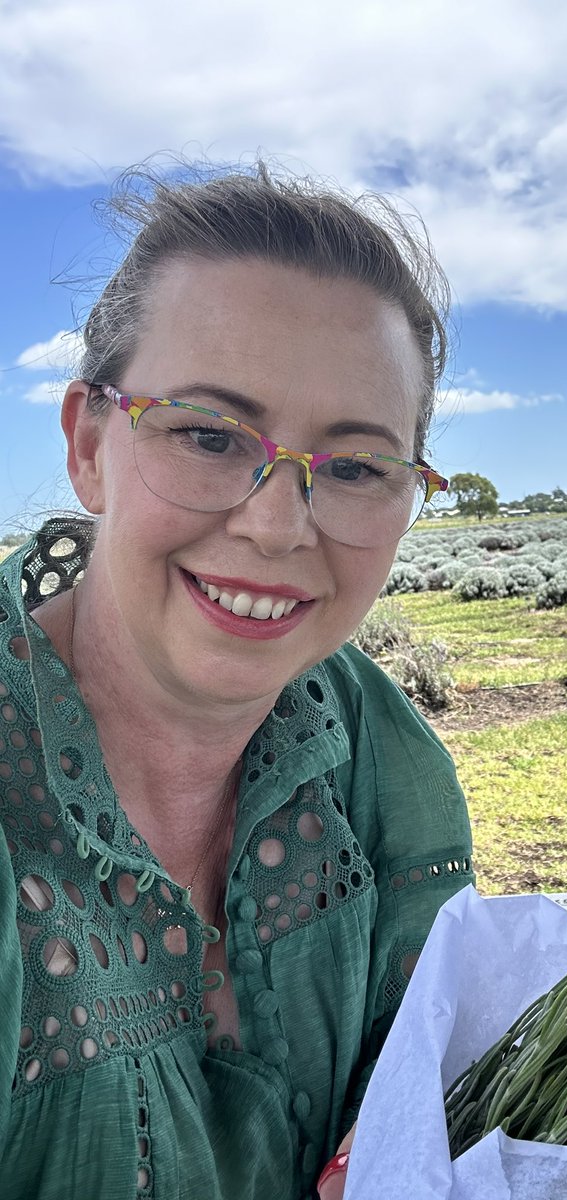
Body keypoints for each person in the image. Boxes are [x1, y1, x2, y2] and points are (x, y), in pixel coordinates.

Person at [0, 163, 475, 1200]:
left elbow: (439, 1083)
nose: (276, 525)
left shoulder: (376, 759)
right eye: (208, 436)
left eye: (355, 467)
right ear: (89, 446)